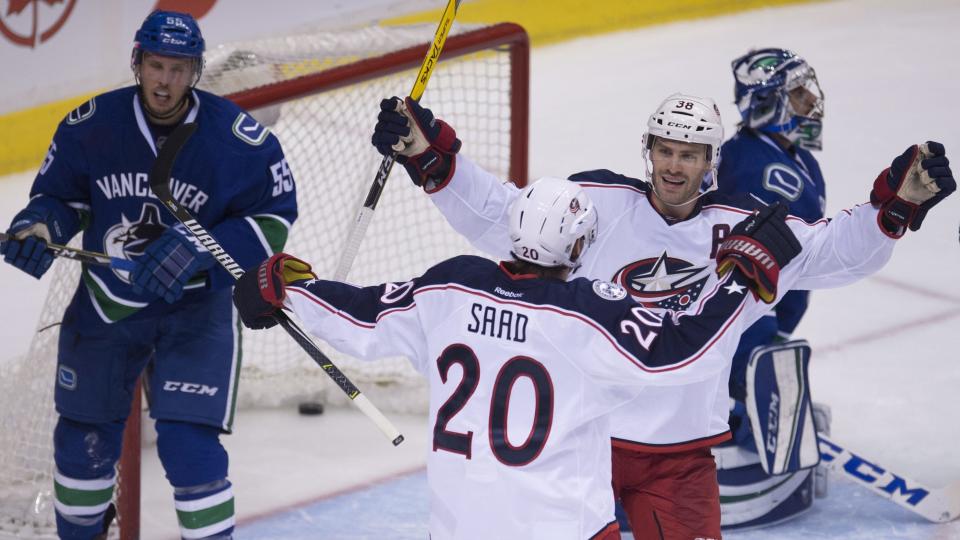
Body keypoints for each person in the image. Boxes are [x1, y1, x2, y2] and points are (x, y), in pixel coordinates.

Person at [369, 92, 955, 538]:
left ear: (711, 160)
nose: (675, 167)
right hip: (579, 447)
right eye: (665, 151)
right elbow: (500, 214)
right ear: (647, 151)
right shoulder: (595, 204)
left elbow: (834, 251)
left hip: (678, 461)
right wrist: (428, 158)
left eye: (691, 155)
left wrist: (895, 206)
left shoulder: (745, 225)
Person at [232, 176, 799, 539]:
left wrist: (286, 287)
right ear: (577, 247)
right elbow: (681, 358)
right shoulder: (585, 314)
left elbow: (357, 315)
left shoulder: (448, 288)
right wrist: (739, 280)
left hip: (458, 528)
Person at [0, 10, 297, 539]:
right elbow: (60, 199)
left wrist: (198, 248)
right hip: (108, 305)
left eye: (179, 69)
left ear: (197, 72)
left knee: (190, 448)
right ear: (137, 63)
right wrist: (41, 227)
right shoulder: (90, 126)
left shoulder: (236, 140)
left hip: (196, 310)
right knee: (81, 445)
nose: (166, 81)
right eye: (157, 66)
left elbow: (273, 221)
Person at [714, 48, 830, 529]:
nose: (812, 102)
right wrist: (744, 374)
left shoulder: (790, 156)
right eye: (798, 93)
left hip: (770, 319)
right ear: (772, 102)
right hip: (744, 325)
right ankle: (731, 409)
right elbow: (739, 285)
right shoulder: (757, 169)